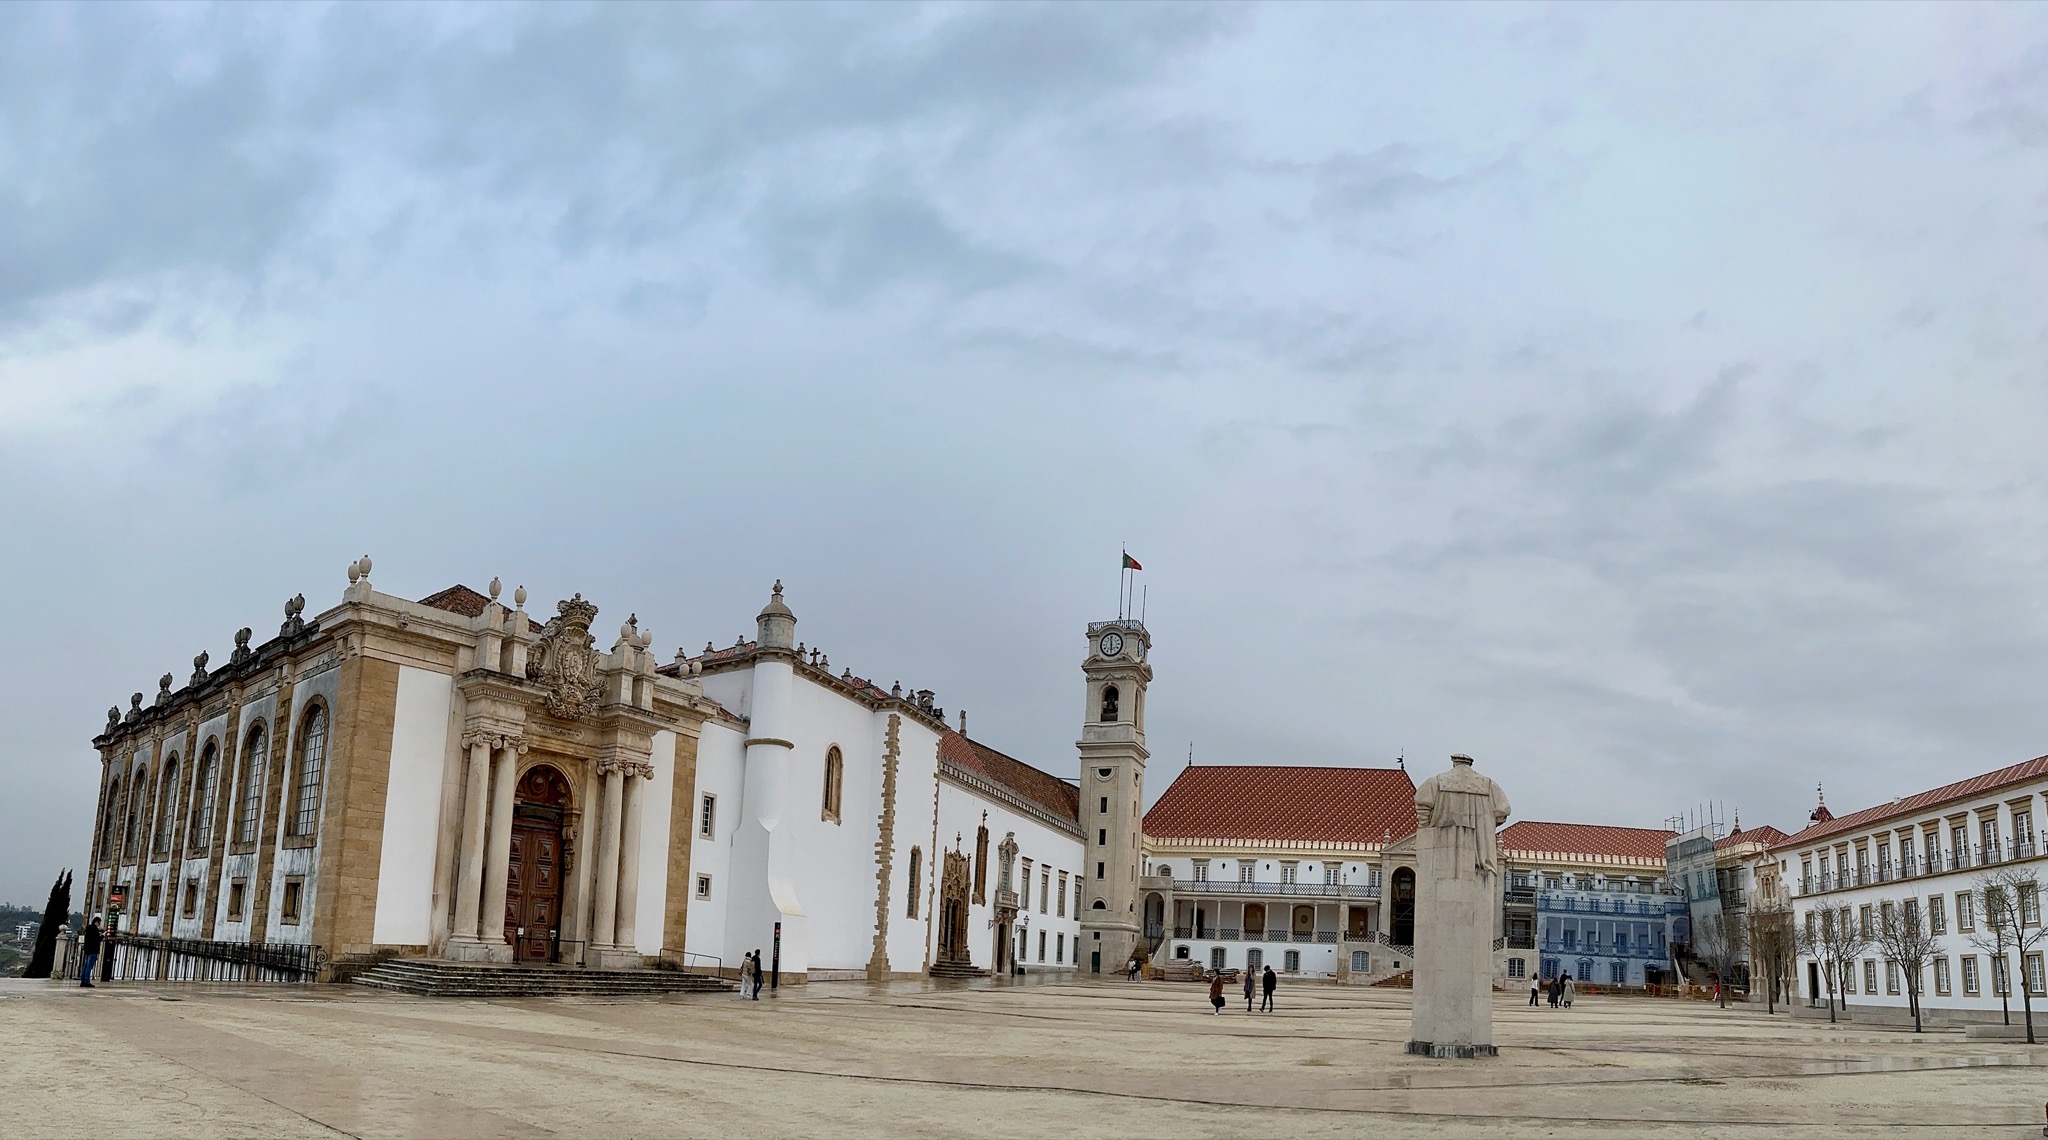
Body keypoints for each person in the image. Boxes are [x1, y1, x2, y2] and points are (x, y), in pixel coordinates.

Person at [78, 917, 102, 988]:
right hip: (93, 950)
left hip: (88, 950)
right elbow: (97, 940)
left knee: (86, 966)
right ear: (96, 922)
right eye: (99, 923)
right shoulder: (94, 930)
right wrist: (102, 936)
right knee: (89, 966)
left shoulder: (88, 929)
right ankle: (86, 981)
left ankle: (83, 981)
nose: (99, 925)